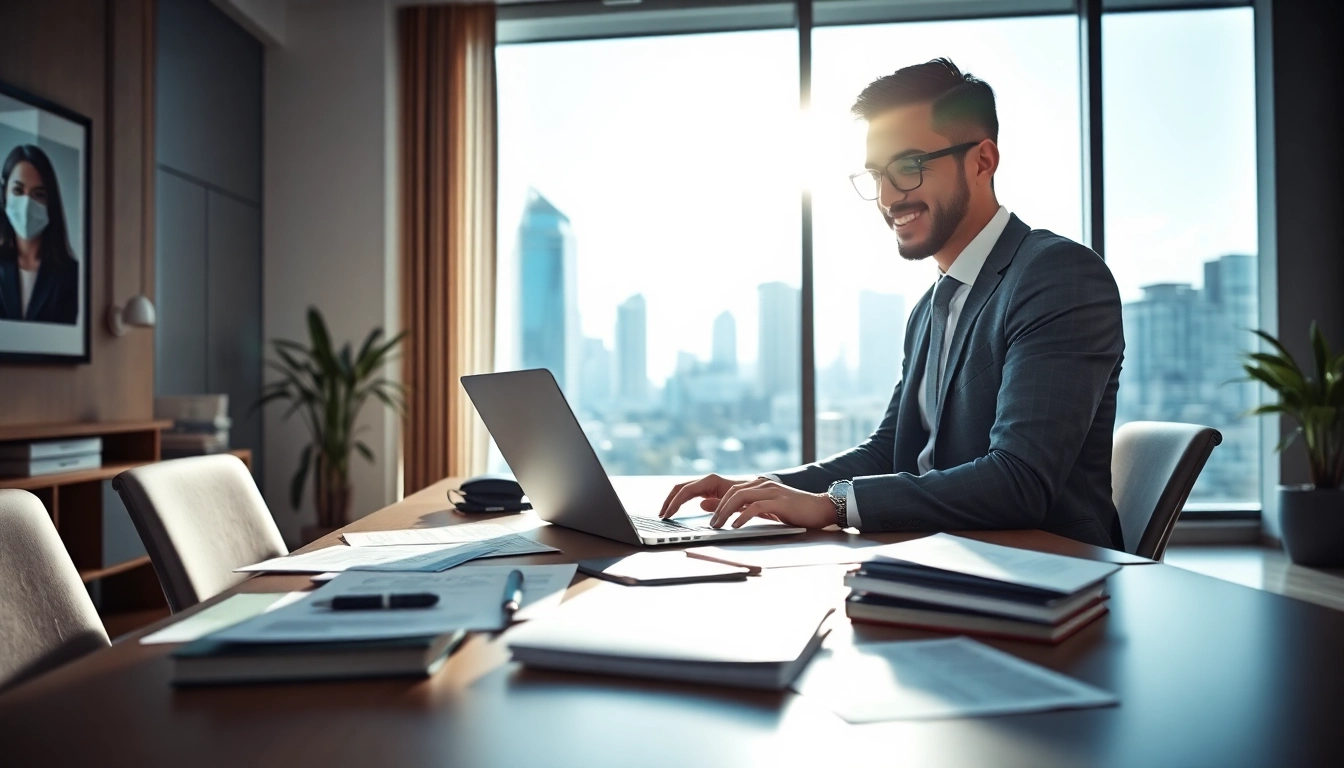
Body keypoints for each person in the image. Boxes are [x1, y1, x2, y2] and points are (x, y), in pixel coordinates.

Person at [659, 58, 1125, 549]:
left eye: (908, 167)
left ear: (982, 161)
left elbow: (1020, 481)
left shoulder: (1058, 275)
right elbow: (888, 452)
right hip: (941, 558)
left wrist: (835, 504)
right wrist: (759, 488)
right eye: (876, 175)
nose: (886, 197)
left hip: (1046, 575)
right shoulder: (929, 309)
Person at [0, 144, 80, 324]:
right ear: (4, 194)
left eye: (39, 194)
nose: (27, 203)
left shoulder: (71, 274)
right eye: (18, 191)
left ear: (50, 202)